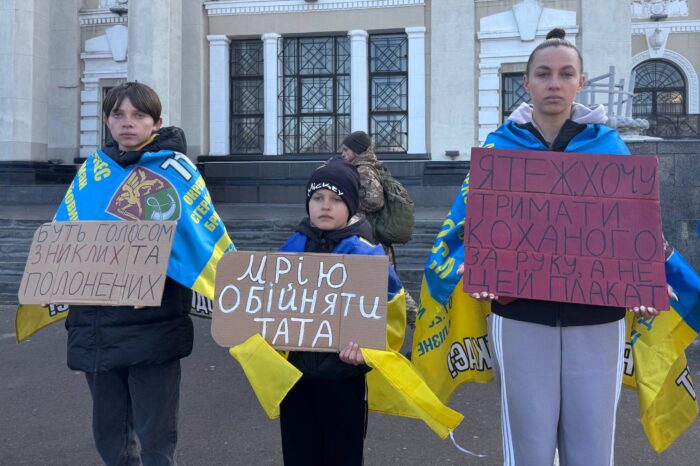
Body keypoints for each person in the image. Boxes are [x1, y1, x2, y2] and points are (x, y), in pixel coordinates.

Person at [457, 28, 666, 465]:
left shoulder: (610, 147)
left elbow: (635, 229)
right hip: (520, 314)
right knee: (528, 448)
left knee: (592, 447)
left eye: (566, 73)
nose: (554, 83)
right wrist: (474, 264)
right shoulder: (499, 147)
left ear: (580, 82)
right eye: (543, 73)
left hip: (597, 318)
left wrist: (647, 279)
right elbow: (467, 224)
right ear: (526, 82)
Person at [59, 82, 233, 465]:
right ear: (106, 120)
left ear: (156, 122)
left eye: (138, 115)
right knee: (111, 439)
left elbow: (196, 242)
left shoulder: (177, 172)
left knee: (156, 441)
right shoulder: (91, 172)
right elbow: (64, 237)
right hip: (96, 325)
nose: (127, 123)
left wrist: (156, 274)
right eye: (118, 114)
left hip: (151, 325)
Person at [277, 158, 398, 465]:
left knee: (343, 456)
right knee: (298, 456)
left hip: (344, 379)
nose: (325, 206)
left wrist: (368, 350)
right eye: (318, 198)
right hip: (295, 380)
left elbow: (391, 315)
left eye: (336, 199)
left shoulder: (367, 256)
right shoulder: (290, 250)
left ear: (352, 205)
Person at [340, 131, 419, 327]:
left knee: (388, 284)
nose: (343, 153)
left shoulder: (363, 170)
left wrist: (347, 203)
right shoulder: (368, 167)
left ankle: (419, 323)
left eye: (346, 150)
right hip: (372, 236)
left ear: (357, 150)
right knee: (384, 283)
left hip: (372, 238)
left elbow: (375, 201)